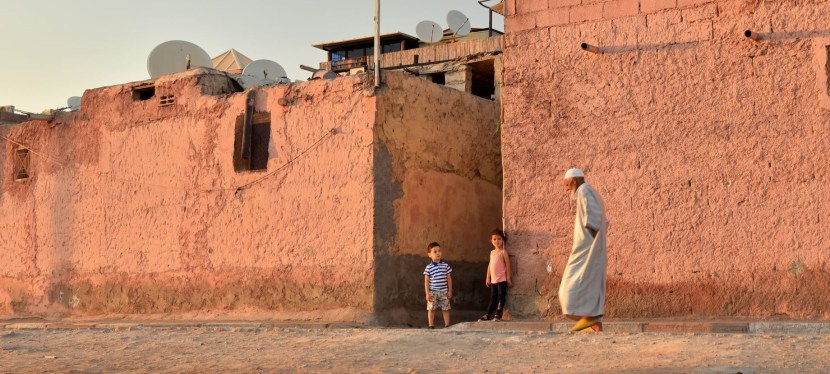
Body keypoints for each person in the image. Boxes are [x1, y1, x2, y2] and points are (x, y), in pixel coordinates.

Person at [559, 167, 608, 332]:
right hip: (587, 247)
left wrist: (589, 246)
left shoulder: (583, 190)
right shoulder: (586, 190)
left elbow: (593, 220)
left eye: (566, 183)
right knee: (588, 283)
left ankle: (590, 319)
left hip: (587, 248)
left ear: (574, 180)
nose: (565, 187)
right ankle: (592, 322)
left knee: (568, 288)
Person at [479, 229, 512, 321]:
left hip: (502, 279)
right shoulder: (492, 252)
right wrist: (487, 277)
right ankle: (488, 314)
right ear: (491, 241)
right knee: (493, 297)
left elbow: (508, 266)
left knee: (501, 296)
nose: (496, 241)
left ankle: (498, 314)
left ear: (503, 240)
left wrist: (508, 278)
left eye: (499, 239)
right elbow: (490, 266)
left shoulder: (503, 252)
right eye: (494, 239)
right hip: (493, 280)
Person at [424, 242, 453, 328]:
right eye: (435, 251)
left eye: (439, 251)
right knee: (431, 309)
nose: (438, 253)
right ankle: (431, 325)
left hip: (444, 292)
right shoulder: (428, 267)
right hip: (433, 292)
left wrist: (450, 291)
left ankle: (447, 325)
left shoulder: (445, 266)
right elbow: (426, 281)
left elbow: (449, 278)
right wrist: (427, 293)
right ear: (429, 254)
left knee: (446, 309)